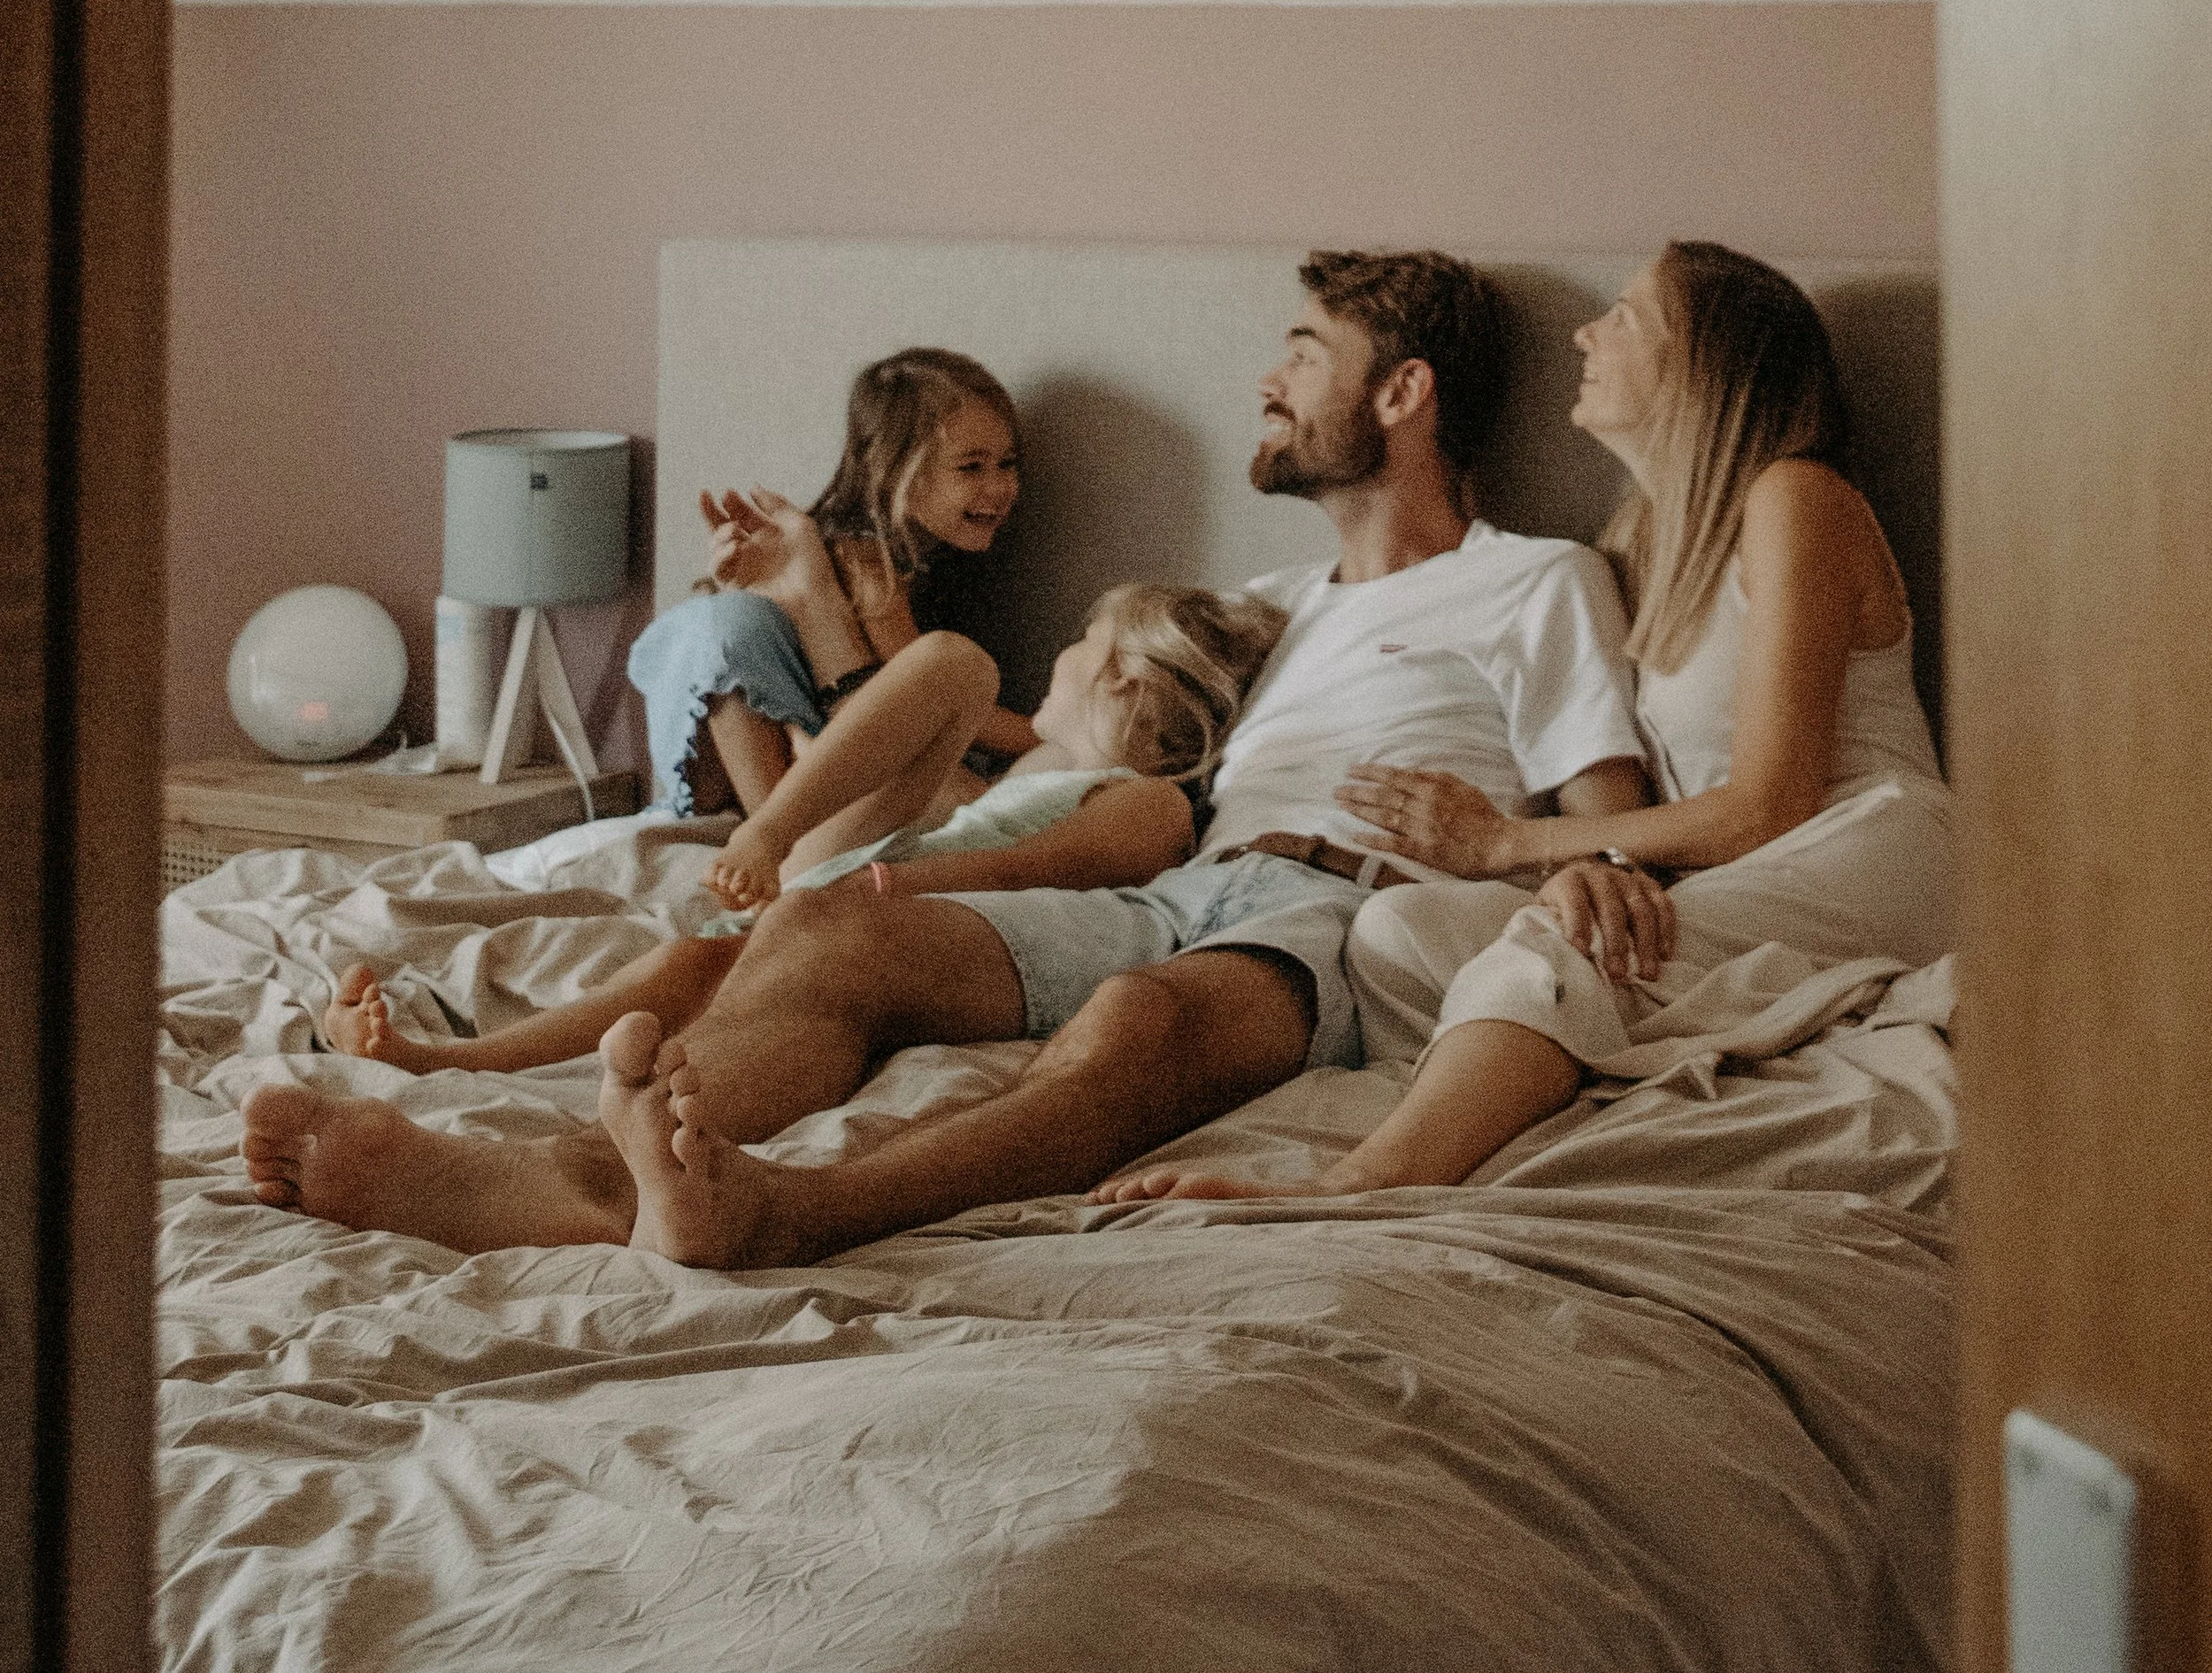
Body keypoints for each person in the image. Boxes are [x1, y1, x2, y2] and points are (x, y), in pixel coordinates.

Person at [242, 249, 1652, 1263]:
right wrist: (813, 605)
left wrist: (1550, 865)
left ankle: (790, 1211)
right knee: (816, 928)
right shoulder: (1271, 609)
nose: (1269, 382)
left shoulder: (1538, 581)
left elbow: (1608, 820)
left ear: (1403, 393)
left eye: (1303, 353)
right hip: (1171, 879)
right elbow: (1064, 743)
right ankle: (571, 1180)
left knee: (1136, 1028)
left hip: (1337, 913)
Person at [1097, 240, 1953, 1209]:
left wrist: (1513, 843)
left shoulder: (1795, 499)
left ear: (1702, 361)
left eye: (1623, 317)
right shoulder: (1643, 541)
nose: (1587, 333)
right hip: (1739, 866)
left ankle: (1357, 1180)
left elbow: (1770, 801)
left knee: (1554, 941)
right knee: (1396, 933)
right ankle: (1514, 1095)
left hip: (1865, 845)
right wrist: (1600, 874)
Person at [323, 581, 1286, 1078]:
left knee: (688, 972)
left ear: (1119, 675)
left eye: (1081, 646)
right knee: (954, 665)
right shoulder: (1043, 762)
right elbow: (913, 748)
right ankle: (766, 828)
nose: (1060, 659)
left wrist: (890, 890)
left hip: (892, 897)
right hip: (871, 859)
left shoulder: (1150, 801)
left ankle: (438, 1063)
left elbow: (1040, 867)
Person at [626, 347, 1036, 818]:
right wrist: (1048, 732)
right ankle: (776, 832)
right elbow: (927, 691)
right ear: (894, 471)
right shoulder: (867, 558)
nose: (1001, 487)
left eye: (1007, 463)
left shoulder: (933, 556)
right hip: (734, 758)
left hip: (808, 738)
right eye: (971, 467)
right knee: (734, 625)